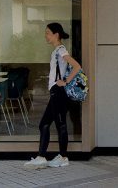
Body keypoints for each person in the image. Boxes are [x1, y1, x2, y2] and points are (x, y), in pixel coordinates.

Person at [25, 22, 83, 169]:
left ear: (56, 35)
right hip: (56, 92)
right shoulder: (57, 50)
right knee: (48, 124)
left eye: (48, 33)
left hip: (58, 92)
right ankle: (47, 157)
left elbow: (77, 66)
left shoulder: (61, 50)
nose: (46, 36)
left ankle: (56, 157)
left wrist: (65, 81)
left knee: (57, 124)